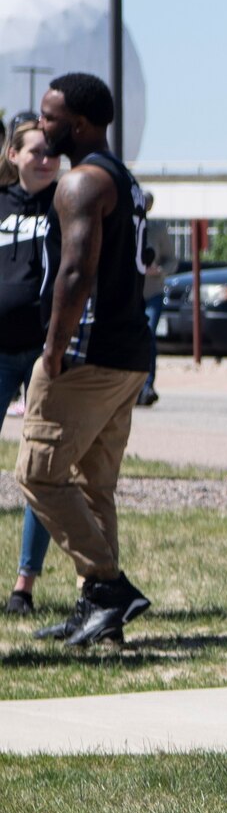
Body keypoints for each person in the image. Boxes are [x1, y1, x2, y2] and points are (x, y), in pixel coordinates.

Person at [18, 72, 155, 648]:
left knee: (38, 475)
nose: (40, 123)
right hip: (128, 357)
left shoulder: (80, 184)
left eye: (48, 116)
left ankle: (109, 589)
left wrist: (52, 353)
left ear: (75, 123)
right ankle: (100, 615)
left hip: (86, 358)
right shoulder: (123, 178)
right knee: (92, 485)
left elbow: (75, 275)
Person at [0, 119, 58, 615]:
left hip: (46, 355)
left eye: (52, 152)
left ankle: (24, 585)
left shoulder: (69, 201)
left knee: (38, 468)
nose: (45, 159)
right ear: (13, 154)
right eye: (35, 151)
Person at [136, 189, 165, 407]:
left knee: (149, 336)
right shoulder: (129, 227)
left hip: (153, 293)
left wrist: (160, 269)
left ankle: (147, 386)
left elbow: (172, 260)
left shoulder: (157, 230)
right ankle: (132, 388)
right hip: (132, 293)